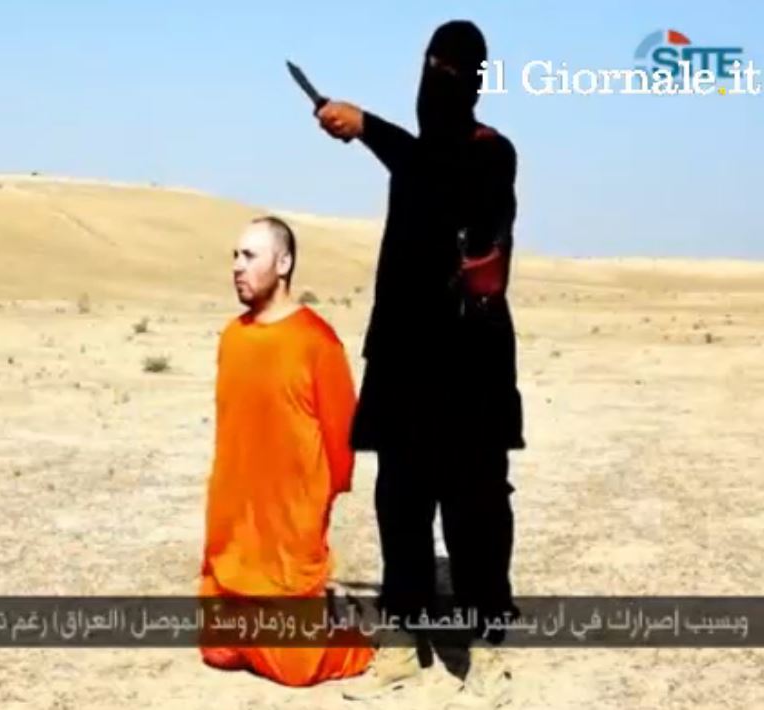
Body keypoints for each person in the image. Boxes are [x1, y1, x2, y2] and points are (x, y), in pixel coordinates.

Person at [314, 20, 524, 703]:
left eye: (451, 70)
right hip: (403, 357)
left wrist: (367, 126)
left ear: (474, 83)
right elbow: (419, 163)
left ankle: (485, 645)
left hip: (469, 362)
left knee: (475, 509)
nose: (437, 81)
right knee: (400, 503)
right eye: (432, 66)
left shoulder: (491, 155)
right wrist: (365, 131)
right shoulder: (414, 157)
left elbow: (443, 179)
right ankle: (403, 644)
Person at [197, 215, 375, 687]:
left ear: (284, 263)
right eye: (235, 256)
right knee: (218, 650)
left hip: (289, 529)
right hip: (234, 528)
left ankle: (351, 629)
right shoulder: (233, 337)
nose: (237, 266)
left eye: (249, 256)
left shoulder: (317, 341)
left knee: (296, 668)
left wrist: (313, 503)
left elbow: (342, 438)